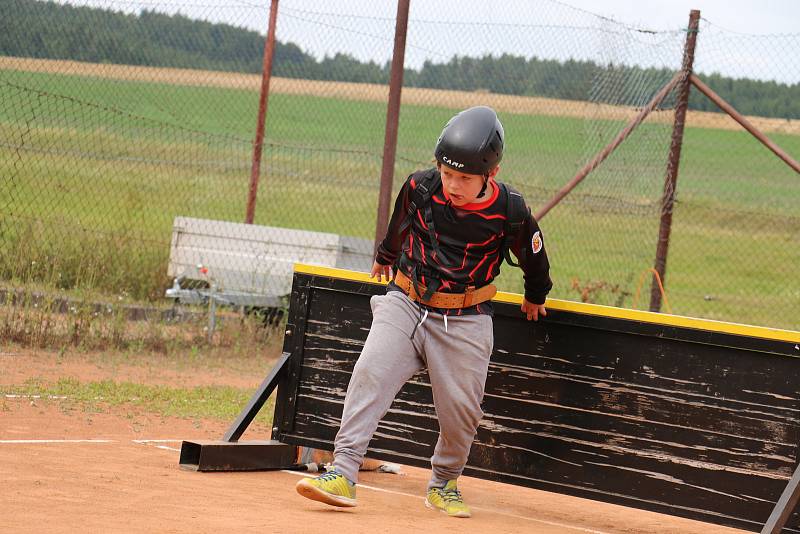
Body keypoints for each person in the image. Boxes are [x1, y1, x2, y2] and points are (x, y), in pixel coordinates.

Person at [295, 106, 552, 518]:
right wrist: (385, 255)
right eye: (447, 173)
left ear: (493, 173)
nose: (452, 185)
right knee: (369, 374)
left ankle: (444, 483)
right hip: (406, 300)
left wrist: (536, 294)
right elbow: (401, 221)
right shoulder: (421, 186)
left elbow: (535, 258)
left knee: (461, 413)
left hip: (466, 317)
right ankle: (342, 472)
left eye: (464, 178)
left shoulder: (511, 211)